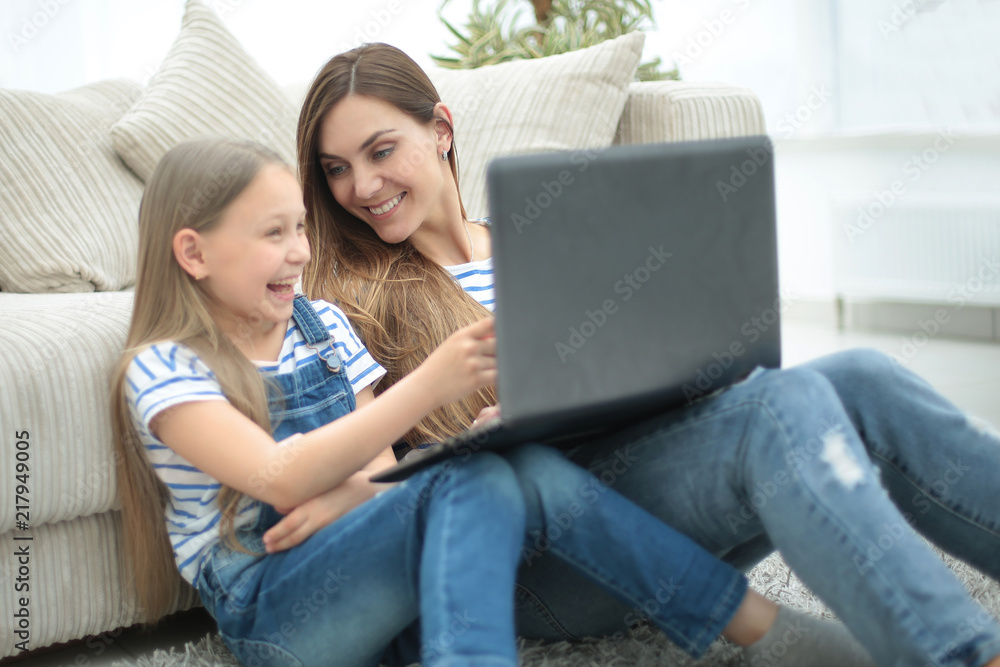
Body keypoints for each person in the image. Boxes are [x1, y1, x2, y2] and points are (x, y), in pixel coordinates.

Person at [296, 42, 1000, 667]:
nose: (360, 187)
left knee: (860, 376)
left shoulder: (548, 234)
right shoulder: (349, 299)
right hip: (544, 556)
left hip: (647, 476)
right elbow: (375, 495)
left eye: (381, 151)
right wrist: (475, 444)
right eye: (336, 168)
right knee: (778, 411)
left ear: (441, 129)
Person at [110, 138, 879, 667]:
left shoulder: (321, 324)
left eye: (303, 228)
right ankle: (750, 621)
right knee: (469, 476)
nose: (302, 253)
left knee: (501, 469)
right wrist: (433, 383)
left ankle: (744, 620)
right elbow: (277, 476)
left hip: (383, 596)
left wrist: (346, 497)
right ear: (193, 252)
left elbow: (379, 473)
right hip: (278, 616)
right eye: (274, 234)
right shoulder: (164, 368)